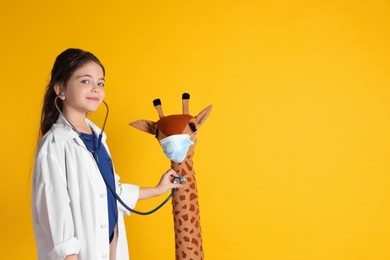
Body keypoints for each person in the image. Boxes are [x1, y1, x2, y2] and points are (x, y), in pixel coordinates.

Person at [32, 48, 183, 260]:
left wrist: (159, 189)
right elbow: (54, 209)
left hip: (110, 246)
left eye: (100, 83)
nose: (95, 88)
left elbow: (110, 192)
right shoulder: (55, 144)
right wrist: (69, 256)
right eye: (85, 81)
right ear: (61, 89)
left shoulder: (98, 138)